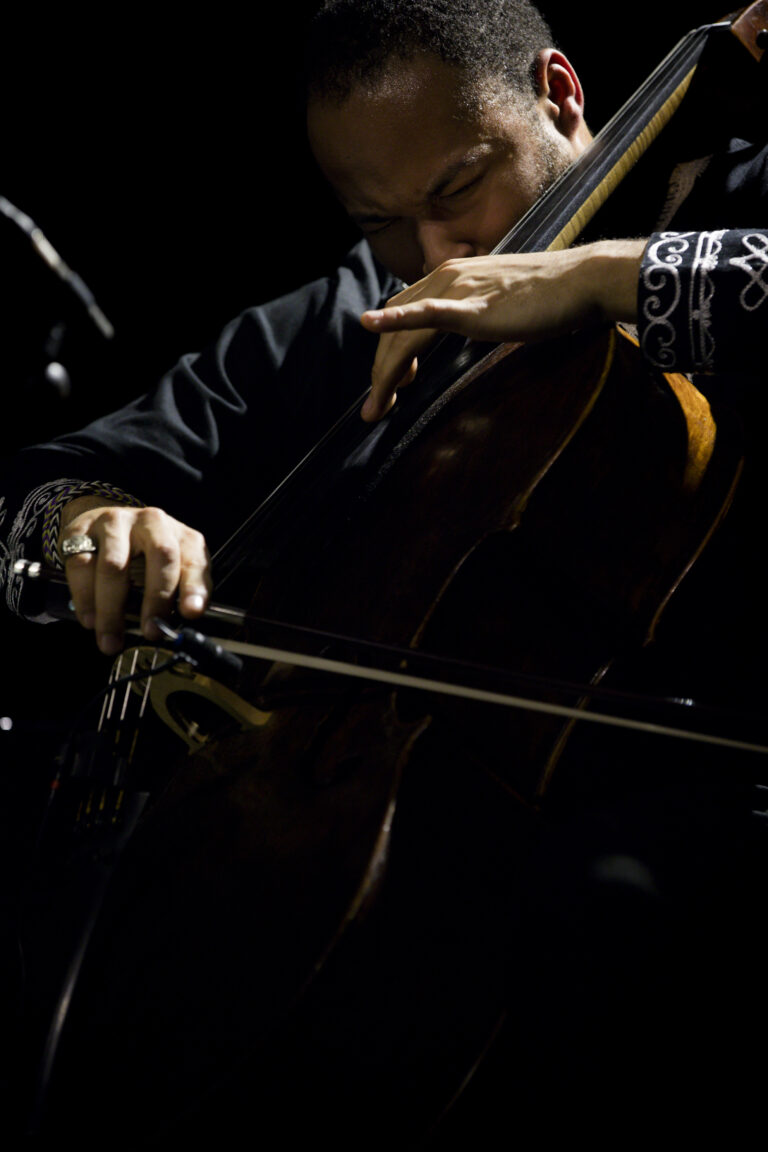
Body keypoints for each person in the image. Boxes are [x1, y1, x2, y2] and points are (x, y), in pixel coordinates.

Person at [1, 0, 767, 1142]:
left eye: (459, 188)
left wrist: (610, 276)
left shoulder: (733, 200)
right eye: (383, 221)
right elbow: (52, 479)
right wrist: (92, 525)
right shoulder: (346, 316)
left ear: (558, 94)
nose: (439, 257)